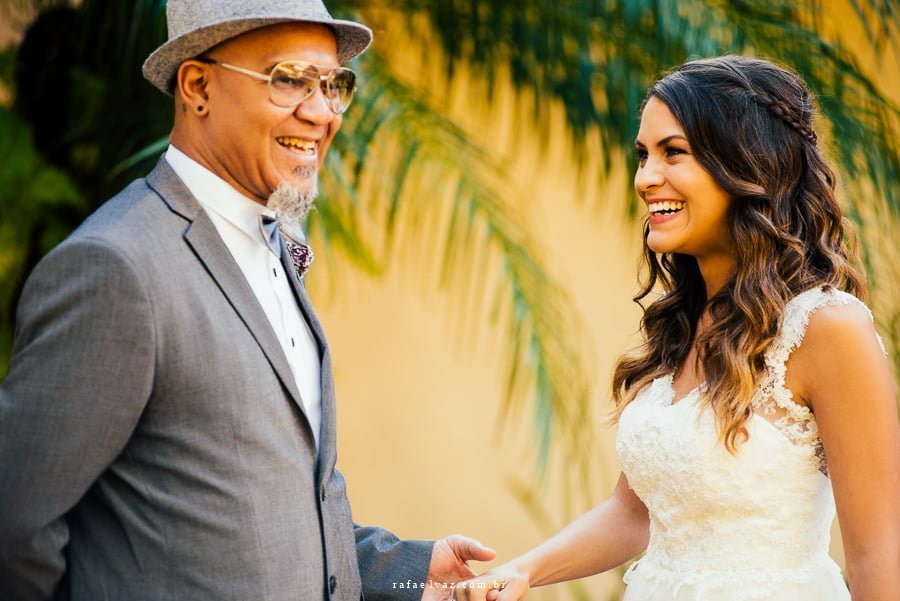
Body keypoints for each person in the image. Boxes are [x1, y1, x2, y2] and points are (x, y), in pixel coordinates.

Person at [0, 1, 496, 600]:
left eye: (332, 84)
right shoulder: (118, 268)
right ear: (198, 86)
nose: (320, 113)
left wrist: (408, 570)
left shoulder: (283, 241)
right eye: (289, 80)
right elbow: (15, 526)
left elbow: (270, 506)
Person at [453, 56, 900, 601]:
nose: (646, 178)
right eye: (643, 155)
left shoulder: (826, 328)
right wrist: (522, 571)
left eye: (674, 153)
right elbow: (633, 513)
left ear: (745, 165)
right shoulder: (683, 324)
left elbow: (880, 551)